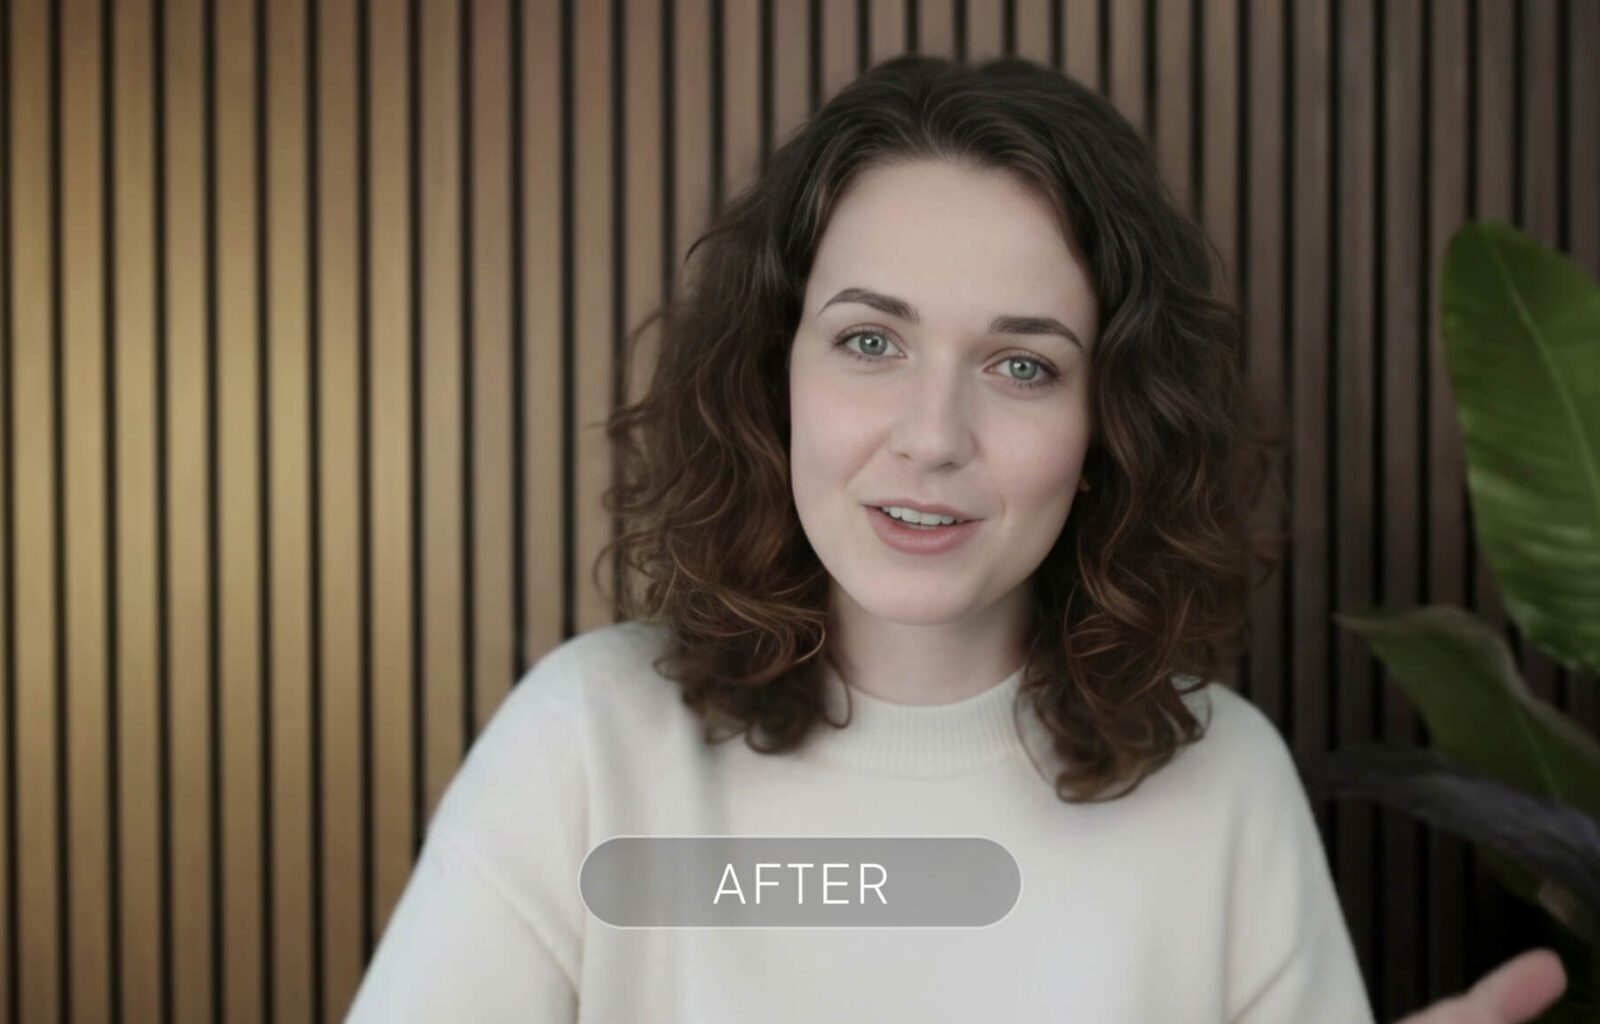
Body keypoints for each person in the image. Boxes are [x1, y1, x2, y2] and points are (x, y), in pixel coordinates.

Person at [344, 55, 1566, 1022]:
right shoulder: (586, 748)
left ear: (1110, 427)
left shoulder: (1218, 783)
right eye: (870, 341)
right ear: (775, 375)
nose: (933, 435)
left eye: (1023, 365)